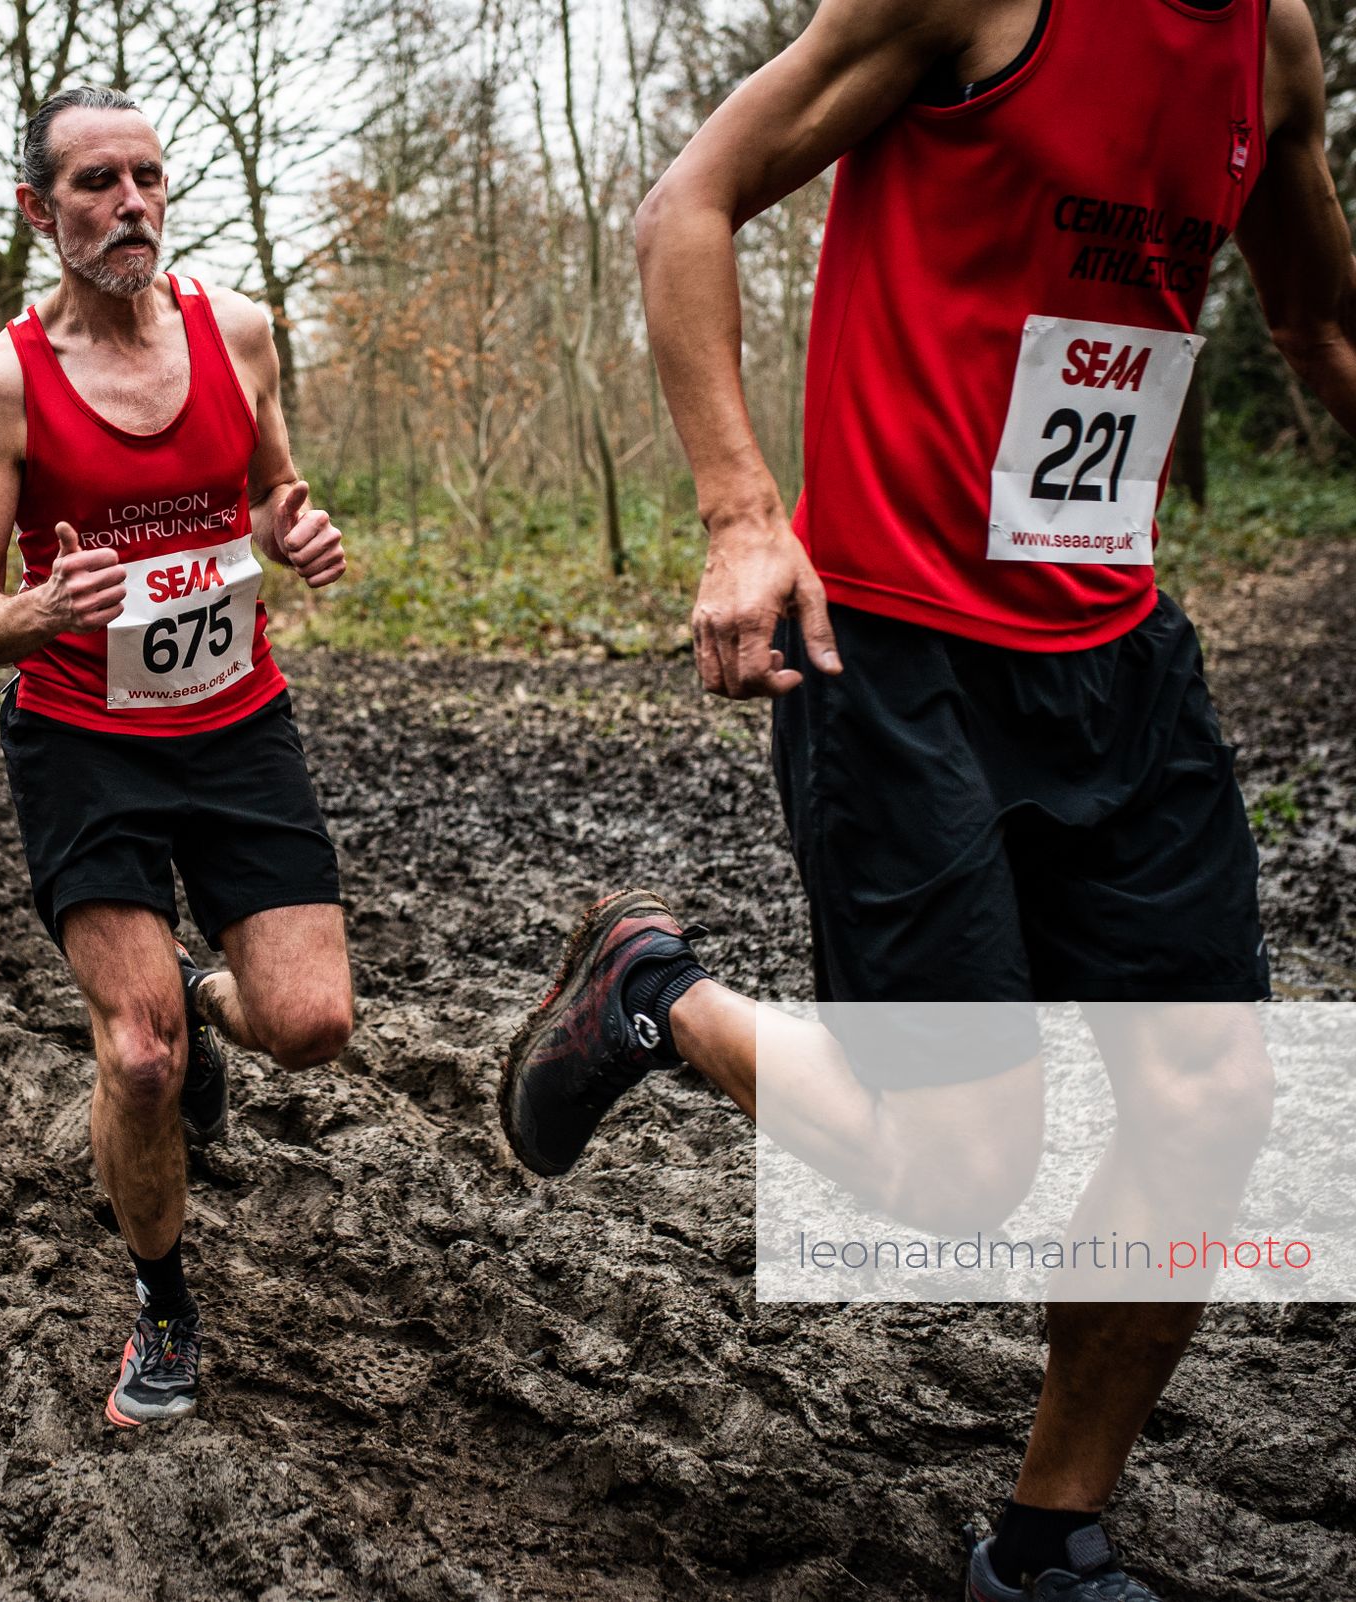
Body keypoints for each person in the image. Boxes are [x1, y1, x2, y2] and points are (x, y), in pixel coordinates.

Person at [505, 0, 1356, 1595]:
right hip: (896, 652)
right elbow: (685, 205)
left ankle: (1046, 1545)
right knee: (965, 1167)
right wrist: (743, 514)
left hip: (1118, 655)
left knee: (1214, 1100)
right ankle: (654, 989)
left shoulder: (1277, 47)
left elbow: (1319, 325)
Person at [0, 87, 354, 1429]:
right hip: (82, 739)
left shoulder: (239, 332)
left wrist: (296, 531)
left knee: (312, 1025)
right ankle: (164, 1305)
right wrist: (40, 610)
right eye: (96, 183)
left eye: (148, 178)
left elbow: (274, 491)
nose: (130, 204)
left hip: (236, 721)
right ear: (37, 209)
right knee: (137, 1058)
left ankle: (197, 991)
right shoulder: (3, 384)